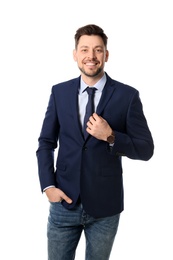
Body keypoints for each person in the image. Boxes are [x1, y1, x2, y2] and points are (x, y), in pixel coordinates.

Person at [36, 24, 154, 260]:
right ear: (75, 54)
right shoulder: (59, 92)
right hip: (64, 203)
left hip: (105, 208)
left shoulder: (127, 96)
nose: (91, 56)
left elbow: (145, 149)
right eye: (85, 50)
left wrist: (111, 136)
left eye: (98, 50)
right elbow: (46, 142)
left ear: (106, 55)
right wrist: (48, 186)